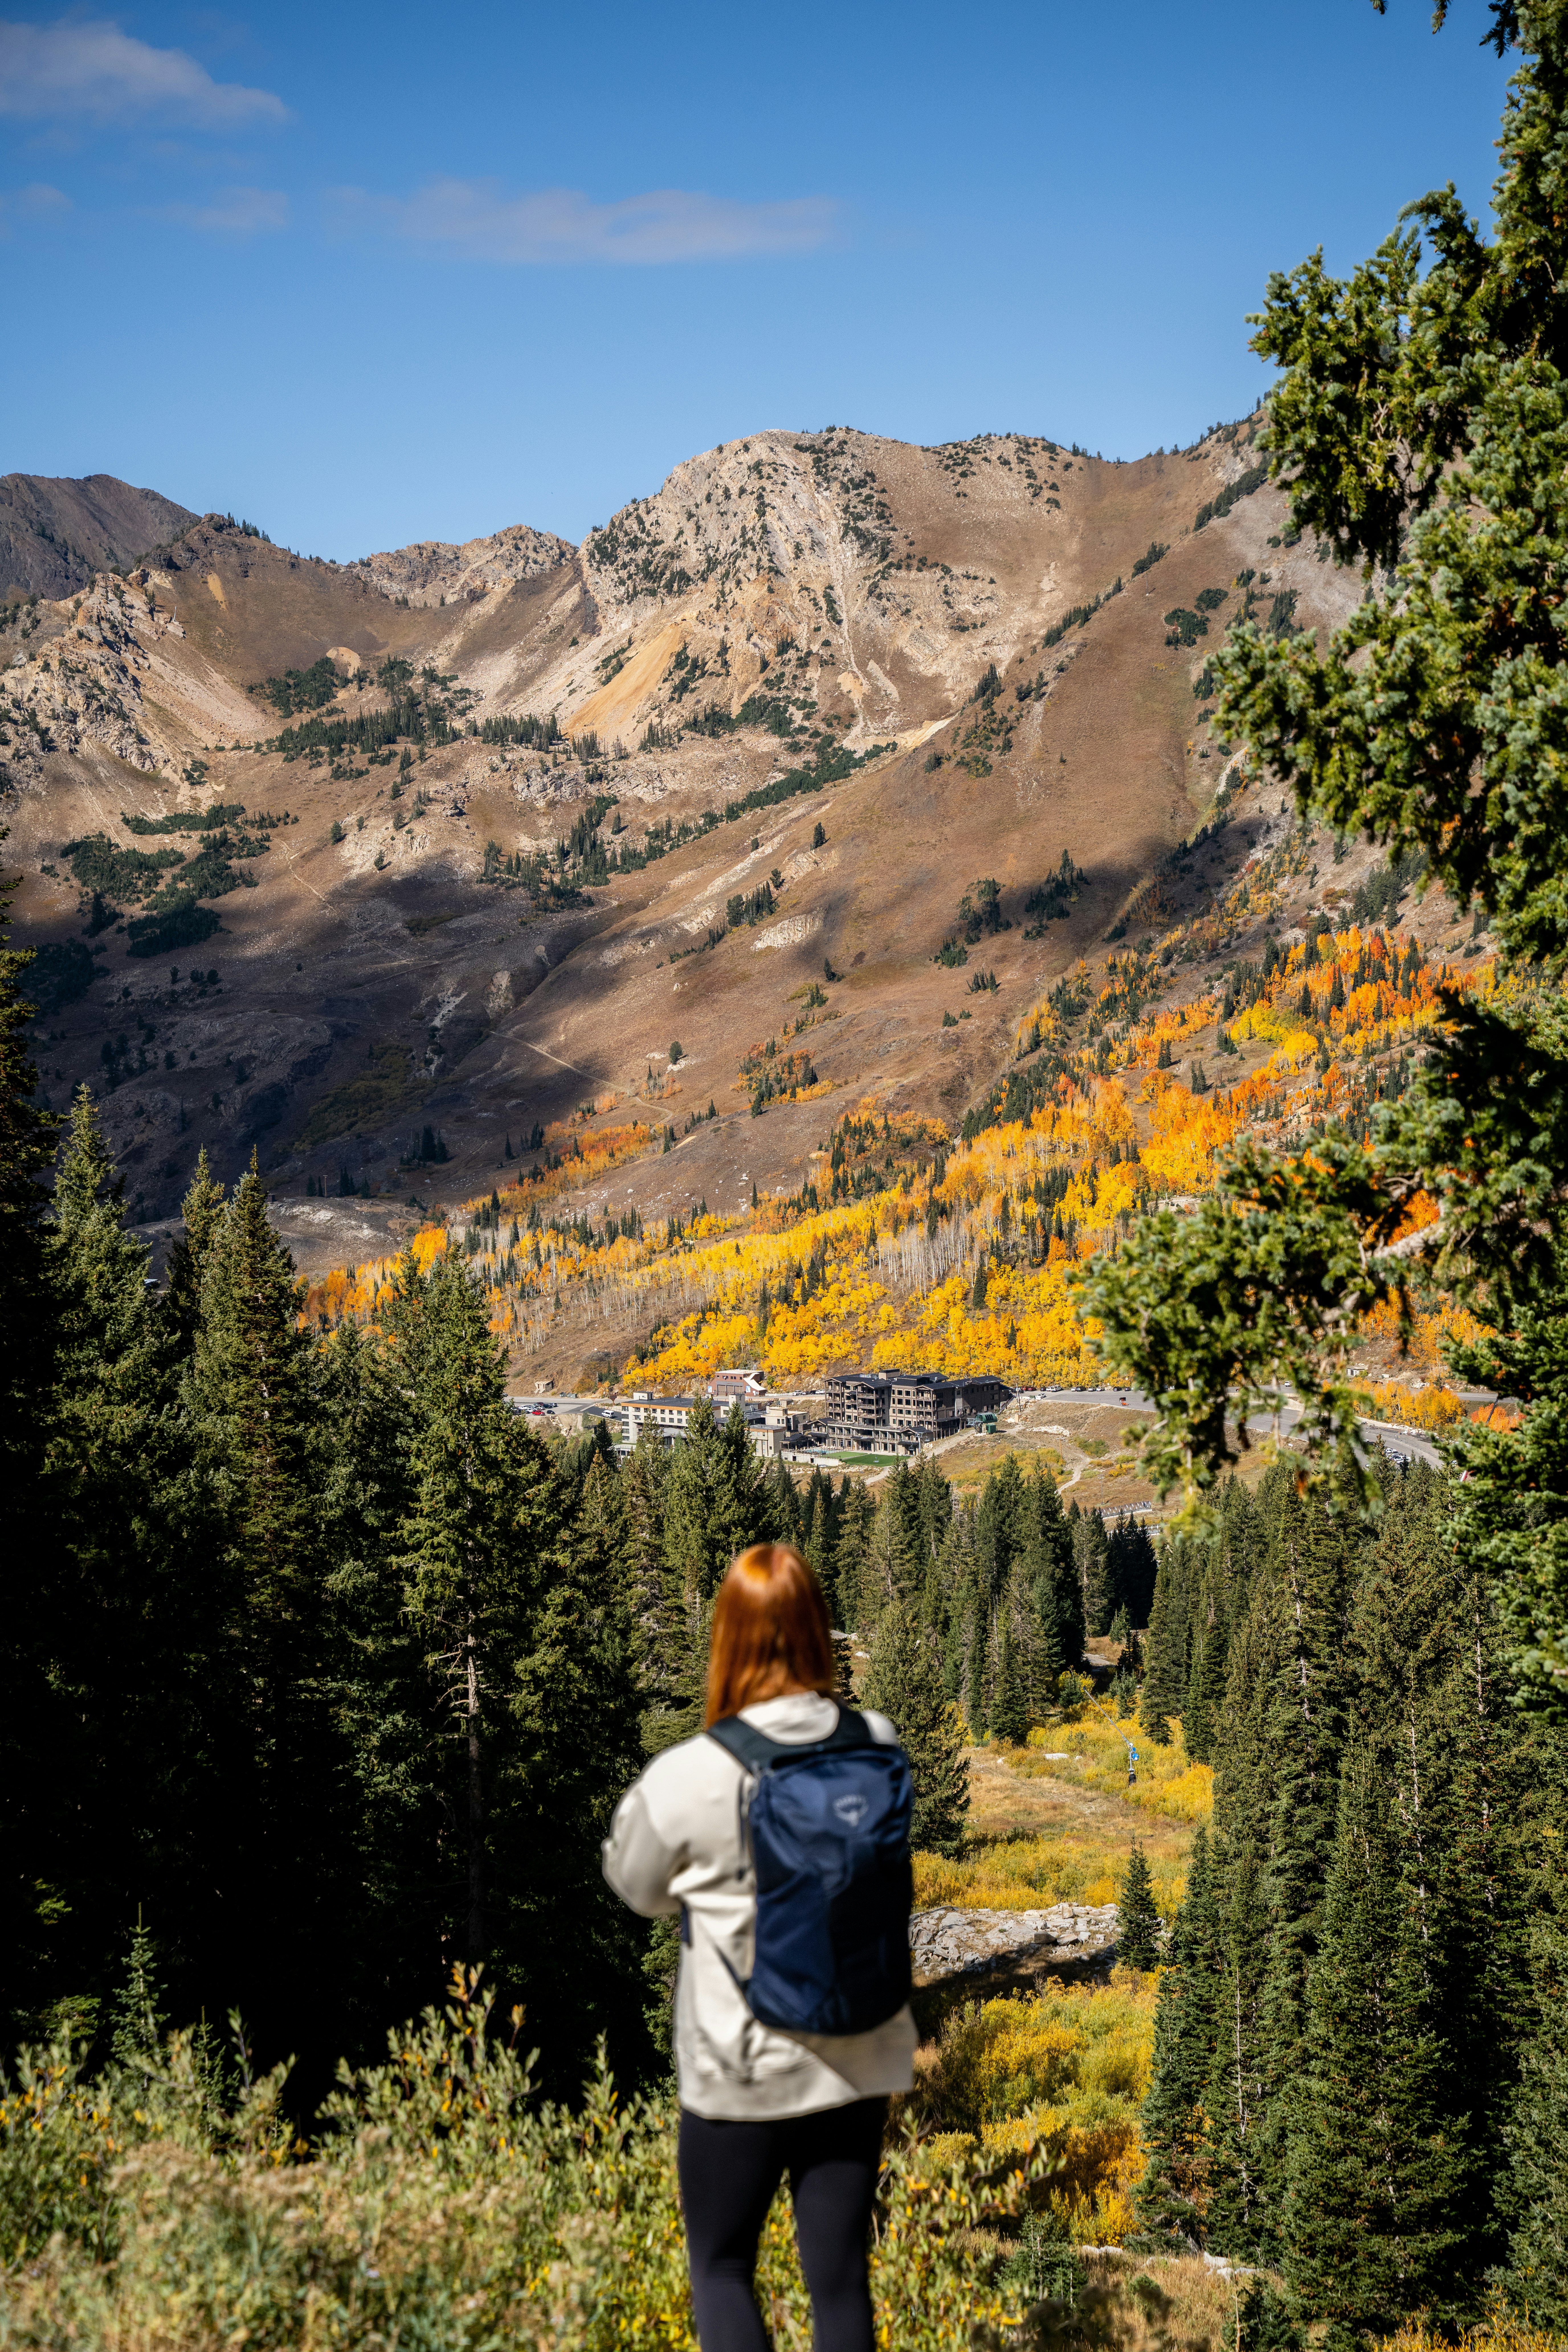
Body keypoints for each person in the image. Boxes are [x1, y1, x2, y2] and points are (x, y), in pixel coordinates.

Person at [602, 1541, 916, 2352]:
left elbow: (635, 1887)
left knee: (723, 2268)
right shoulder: (877, 1743)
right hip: (857, 2054)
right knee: (842, 2279)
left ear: (728, 1641)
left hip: (740, 2065)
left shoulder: (692, 1774)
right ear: (818, 1631)